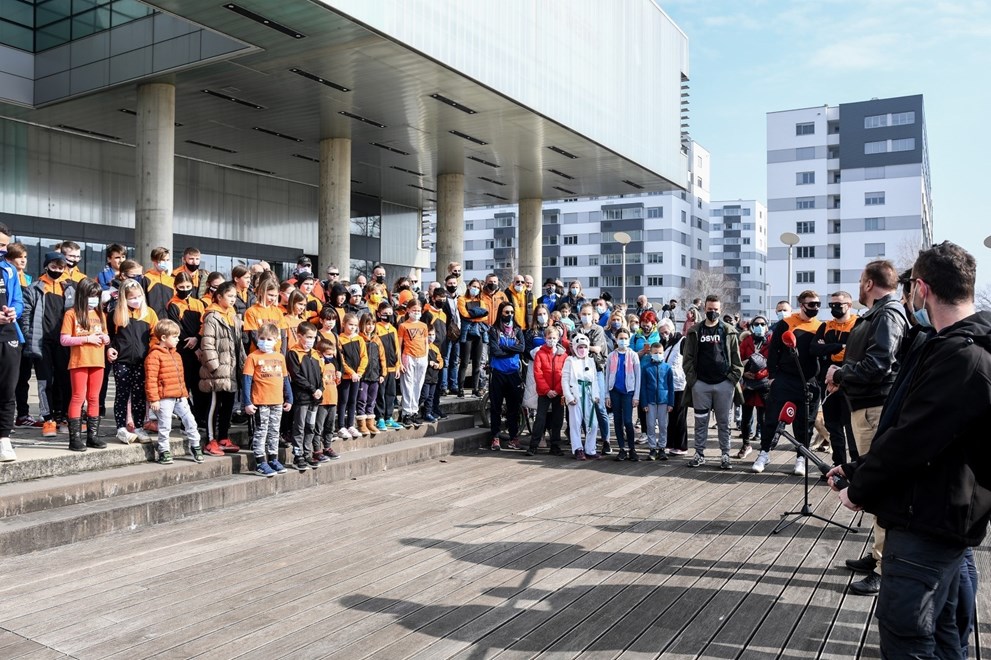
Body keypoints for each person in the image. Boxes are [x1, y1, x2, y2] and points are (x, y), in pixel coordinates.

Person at [827, 241, 991, 657]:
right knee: (945, 632)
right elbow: (915, 428)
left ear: (922, 288)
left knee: (910, 635)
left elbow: (912, 441)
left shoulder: (963, 356)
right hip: (939, 514)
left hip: (928, 522)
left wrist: (859, 489)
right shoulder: (948, 344)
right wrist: (857, 468)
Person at [824, 261, 908, 596]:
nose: (859, 286)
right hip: (865, 406)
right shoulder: (879, 314)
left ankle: (885, 567)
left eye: (861, 281)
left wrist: (840, 374)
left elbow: (878, 364)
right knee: (873, 483)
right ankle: (877, 555)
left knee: (879, 486)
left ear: (870, 283)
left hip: (875, 408)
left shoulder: (887, 314)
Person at [752, 290, 822, 475]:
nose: (815, 307)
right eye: (811, 304)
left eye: (817, 304)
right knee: (772, 419)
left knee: (805, 423)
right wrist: (773, 376)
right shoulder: (786, 324)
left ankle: (801, 458)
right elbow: (773, 350)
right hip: (785, 379)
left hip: (809, 382)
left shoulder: (821, 326)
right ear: (802, 305)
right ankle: (764, 453)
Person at [682, 295, 744, 470]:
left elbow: (737, 359)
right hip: (701, 384)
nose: (713, 312)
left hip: (724, 384)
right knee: (700, 421)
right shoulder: (695, 331)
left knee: (724, 422)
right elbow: (687, 358)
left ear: (721, 310)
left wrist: (732, 379)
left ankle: (725, 455)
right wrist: (693, 380)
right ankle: (699, 454)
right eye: (710, 309)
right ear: (704, 309)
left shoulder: (728, 331)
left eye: (716, 309)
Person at [58, 278, 109, 452]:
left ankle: (92, 437)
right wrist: (87, 339)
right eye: (91, 296)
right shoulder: (71, 314)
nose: (94, 299)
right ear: (82, 296)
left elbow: (106, 335)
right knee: (78, 397)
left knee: (94, 398)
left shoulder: (100, 314)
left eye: (97, 296)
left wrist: (106, 339)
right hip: (79, 361)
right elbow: (64, 340)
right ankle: (75, 439)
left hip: (98, 361)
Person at [145, 319, 203, 464]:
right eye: (175, 336)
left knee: (190, 420)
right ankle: (164, 450)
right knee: (165, 425)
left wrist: (184, 393)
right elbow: (151, 379)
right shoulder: (154, 356)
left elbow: (180, 377)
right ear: (164, 337)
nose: (178, 339)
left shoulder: (177, 355)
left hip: (179, 396)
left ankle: (195, 445)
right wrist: (154, 399)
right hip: (164, 398)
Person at [810, 291, 857, 464]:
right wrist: (839, 346)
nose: (834, 308)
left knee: (852, 427)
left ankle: (855, 465)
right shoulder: (826, 326)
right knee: (832, 425)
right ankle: (839, 463)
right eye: (831, 305)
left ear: (849, 305)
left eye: (838, 305)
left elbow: (857, 351)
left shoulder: (859, 324)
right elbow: (814, 349)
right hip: (828, 381)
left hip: (850, 381)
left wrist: (827, 347)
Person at [199, 281, 246, 456]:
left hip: (231, 369)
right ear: (219, 297)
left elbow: (238, 343)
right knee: (214, 405)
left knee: (228, 404)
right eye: (229, 296)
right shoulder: (212, 316)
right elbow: (208, 343)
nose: (233, 299)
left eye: (234, 296)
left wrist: (242, 363)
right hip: (218, 371)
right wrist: (214, 367)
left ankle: (224, 438)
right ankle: (210, 440)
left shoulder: (233, 315)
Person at [108, 278, 157, 444]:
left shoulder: (149, 313)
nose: (136, 300)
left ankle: (138, 426)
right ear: (124, 298)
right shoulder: (116, 313)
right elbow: (110, 335)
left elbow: (155, 336)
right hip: (122, 360)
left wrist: (151, 352)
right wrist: (110, 348)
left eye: (138, 296)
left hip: (142, 360)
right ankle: (121, 427)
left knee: (139, 395)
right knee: (122, 394)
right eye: (132, 298)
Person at [243, 322, 292, 477]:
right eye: (262, 338)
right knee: (261, 431)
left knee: (274, 431)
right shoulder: (253, 357)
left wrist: (289, 398)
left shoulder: (280, 357)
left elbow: (285, 379)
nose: (266, 341)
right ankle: (260, 462)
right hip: (260, 401)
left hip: (277, 401)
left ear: (276, 340)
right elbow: (247, 380)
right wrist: (247, 402)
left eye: (269, 339)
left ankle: (273, 459)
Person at [167, 272, 208, 428]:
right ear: (175, 287)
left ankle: (200, 417)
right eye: (181, 287)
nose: (185, 290)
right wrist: (193, 345)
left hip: (198, 347)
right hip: (182, 350)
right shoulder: (172, 304)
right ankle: (187, 420)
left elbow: (204, 324)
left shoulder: (199, 304)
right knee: (185, 386)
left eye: (188, 286)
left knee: (199, 386)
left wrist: (197, 338)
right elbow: (176, 327)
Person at [486, 300, 524, 450]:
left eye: (512, 312)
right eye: (506, 312)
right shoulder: (494, 330)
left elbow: (521, 348)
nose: (509, 315)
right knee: (496, 407)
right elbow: (495, 351)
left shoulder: (518, 330)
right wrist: (511, 350)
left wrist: (505, 347)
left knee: (513, 408)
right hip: (498, 372)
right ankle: (495, 437)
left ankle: (514, 437)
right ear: (501, 313)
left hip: (513, 373)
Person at [525, 325, 567, 456]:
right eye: (549, 338)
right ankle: (533, 445)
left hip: (559, 392)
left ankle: (555, 445)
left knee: (558, 420)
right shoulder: (540, 353)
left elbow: (564, 374)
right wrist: (547, 390)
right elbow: (538, 373)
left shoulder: (563, 355)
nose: (551, 340)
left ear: (558, 338)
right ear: (545, 338)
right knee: (540, 419)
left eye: (554, 338)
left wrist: (558, 390)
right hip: (544, 392)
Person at [287, 321, 324, 470]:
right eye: (308, 337)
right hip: (302, 397)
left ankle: (307, 453)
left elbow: (321, 374)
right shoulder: (293, 353)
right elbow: (296, 376)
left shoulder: (315, 354)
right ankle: (298, 455)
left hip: (315, 398)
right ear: (299, 336)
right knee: (300, 426)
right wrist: (312, 389)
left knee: (310, 426)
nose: (311, 340)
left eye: (313, 337)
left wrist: (320, 388)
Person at [575, 303, 611, 454]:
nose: (586, 317)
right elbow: (573, 348)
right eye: (583, 314)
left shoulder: (598, 329)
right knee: (585, 407)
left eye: (588, 314)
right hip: (581, 371)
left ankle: (606, 439)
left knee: (599, 406)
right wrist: (582, 347)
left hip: (596, 370)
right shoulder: (576, 330)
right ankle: (590, 440)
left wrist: (582, 346)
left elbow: (597, 348)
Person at [737, 315, 770, 459]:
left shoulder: (771, 341)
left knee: (763, 419)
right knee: (746, 417)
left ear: (767, 326)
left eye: (762, 324)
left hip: (764, 385)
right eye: (756, 324)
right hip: (748, 385)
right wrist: (744, 373)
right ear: (751, 326)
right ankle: (746, 444)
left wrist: (762, 374)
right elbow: (738, 360)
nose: (759, 327)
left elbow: (774, 362)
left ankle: (764, 449)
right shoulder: (746, 341)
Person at [605, 328, 641, 461]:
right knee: (617, 421)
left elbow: (638, 376)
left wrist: (636, 395)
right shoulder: (611, 356)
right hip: (614, 391)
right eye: (621, 338)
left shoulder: (633, 355)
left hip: (628, 392)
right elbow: (607, 375)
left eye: (625, 338)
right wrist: (607, 395)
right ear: (616, 339)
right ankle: (622, 448)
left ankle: (632, 448)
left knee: (628, 421)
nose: (623, 341)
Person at [563, 335, 600, 460]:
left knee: (593, 423)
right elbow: (565, 380)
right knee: (575, 422)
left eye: (584, 347)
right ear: (574, 347)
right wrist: (569, 396)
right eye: (580, 347)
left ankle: (590, 448)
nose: (582, 349)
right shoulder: (570, 361)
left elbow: (594, 379)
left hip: (588, 393)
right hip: (576, 393)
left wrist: (596, 394)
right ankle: (578, 448)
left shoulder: (591, 361)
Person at [659, 319, 688, 455]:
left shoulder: (682, 341)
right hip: (667, 384)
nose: (664, 335)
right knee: (670, 415)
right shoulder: (663, 343)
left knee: (679, 415)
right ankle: (670, 443)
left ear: (672, 329)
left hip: (680, 383)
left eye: (666, 332)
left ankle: (681, 446)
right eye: (661, 333)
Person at [641, 341, 675, 460]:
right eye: (655, 353)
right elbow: (643, 387)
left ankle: (662, 448)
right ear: (651, 353)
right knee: (650, 425)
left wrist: (671, 403)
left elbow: (671, 386)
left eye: (660, 353)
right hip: (650, 401)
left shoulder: (667, 368)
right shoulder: (646, 368)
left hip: (663, 400)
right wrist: (644, 403)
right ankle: (652, 448)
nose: (658, 355)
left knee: (663, 425)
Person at [398, 302, 429, 427]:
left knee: (418, 385)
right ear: (408, 310)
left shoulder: (423, 325)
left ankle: (414, 411)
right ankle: (406, 413)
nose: (416, 312)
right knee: (408, 385)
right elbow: (399, 345)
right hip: (408, 356)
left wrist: (426, 357)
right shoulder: (403, 326)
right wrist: (400, 362)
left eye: (418, 310)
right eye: (414, 310)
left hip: (421, 357)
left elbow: (426, 342)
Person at [337, 312, 367, 438]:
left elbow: (364, 357)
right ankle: (341, 426)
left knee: (353, 400)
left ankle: (350, 425)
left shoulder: (359, 339)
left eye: (355, 325)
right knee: (343, 401)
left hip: (356, 377)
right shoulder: (340, 339)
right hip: (346, 376)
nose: (353, 327)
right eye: (350, 324)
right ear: (344, 324)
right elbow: (341, 360)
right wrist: (351, 372)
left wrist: (359, 372)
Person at [457, 279, 488, 398]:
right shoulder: (462, 299)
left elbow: (485, 316)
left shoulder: (481, 301)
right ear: (469, 286)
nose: (475, 289)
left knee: (477, 362)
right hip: (467, 333)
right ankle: (460, 388)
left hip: (478, 333)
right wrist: (478, 315)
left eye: (478, 287)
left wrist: (473, 316)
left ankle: (475, 388)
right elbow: (464, 314)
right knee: (464, 362)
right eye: (473, 286)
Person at [374, 302, 402, 431]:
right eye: (385, 313)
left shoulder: (393, 329)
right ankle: (379, 417)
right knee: (380, 393)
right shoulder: (376, 328)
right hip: (381, 368)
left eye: (390, 313)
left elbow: (397, 349)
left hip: (392, 367)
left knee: (391, 393)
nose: (388, 316)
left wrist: (398, 365)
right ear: (379, 314)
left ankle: (388, 417)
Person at [356, 313, 385, 435]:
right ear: (362, 324)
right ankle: (361, 423)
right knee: (362, 399)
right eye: (368, 324)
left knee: (372, 399)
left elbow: (382, 358)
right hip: (363, 376)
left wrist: (383, 373)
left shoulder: (377, 340)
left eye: (373, 324)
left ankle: (370, 423)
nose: (370, 327)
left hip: (375, 375)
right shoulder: (359, 338)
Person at [312, 337, 340, 460]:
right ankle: (317, 450)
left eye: (332, 354)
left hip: (333, 399)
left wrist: (338, 377)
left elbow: (335, 382)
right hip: (322, 402)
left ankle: (327, 447)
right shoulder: (318, 365)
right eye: (328, 354)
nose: (331, 356)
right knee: (318, 427)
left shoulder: (332, 365)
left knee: (330, 426)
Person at [440, 273, 462, 394]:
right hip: (447, 333)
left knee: (455, 360)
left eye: (454, 283)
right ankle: (444, 386)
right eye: (450, 284)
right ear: (446, 284)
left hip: (458, 333)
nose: (452, 285)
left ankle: (454, 385)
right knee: (446, 360)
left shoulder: (460, 298)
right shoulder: (444, 299)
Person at [419, 326, 444, 422]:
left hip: (434, 376)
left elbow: (441, 360)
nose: (431, 337)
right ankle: (415, 410)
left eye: (433, 334)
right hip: (426, 376)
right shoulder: (422, 347)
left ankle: (427, 413)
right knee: (424, 395)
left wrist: (439, 365)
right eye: (429, 334)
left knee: (430, 396)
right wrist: (428, 362)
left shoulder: (436, 348)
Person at [143, 247, 174, 318]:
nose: (166, 262)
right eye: (163, 260)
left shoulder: (171, 280)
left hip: (169, 320)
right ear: (154, 260)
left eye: (167, 260)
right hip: (152, 319)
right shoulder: (146, 278)